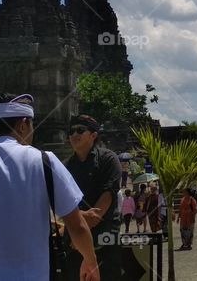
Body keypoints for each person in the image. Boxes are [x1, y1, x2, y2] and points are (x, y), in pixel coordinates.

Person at [0, 93, 98, 281]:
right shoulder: (44, 161)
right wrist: (91, 261)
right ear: (23, 125)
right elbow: (77, 225)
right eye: (31, 124)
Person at [64, 115, 123, 281]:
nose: (74, 134)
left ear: (93, 135)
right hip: (74, 244)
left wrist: (80, 232)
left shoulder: (108, 159)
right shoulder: (64, 166)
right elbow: (59, 203)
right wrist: (77, 232)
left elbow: (105, 201)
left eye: (80, 130)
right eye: (71, 131)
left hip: (104, 240)